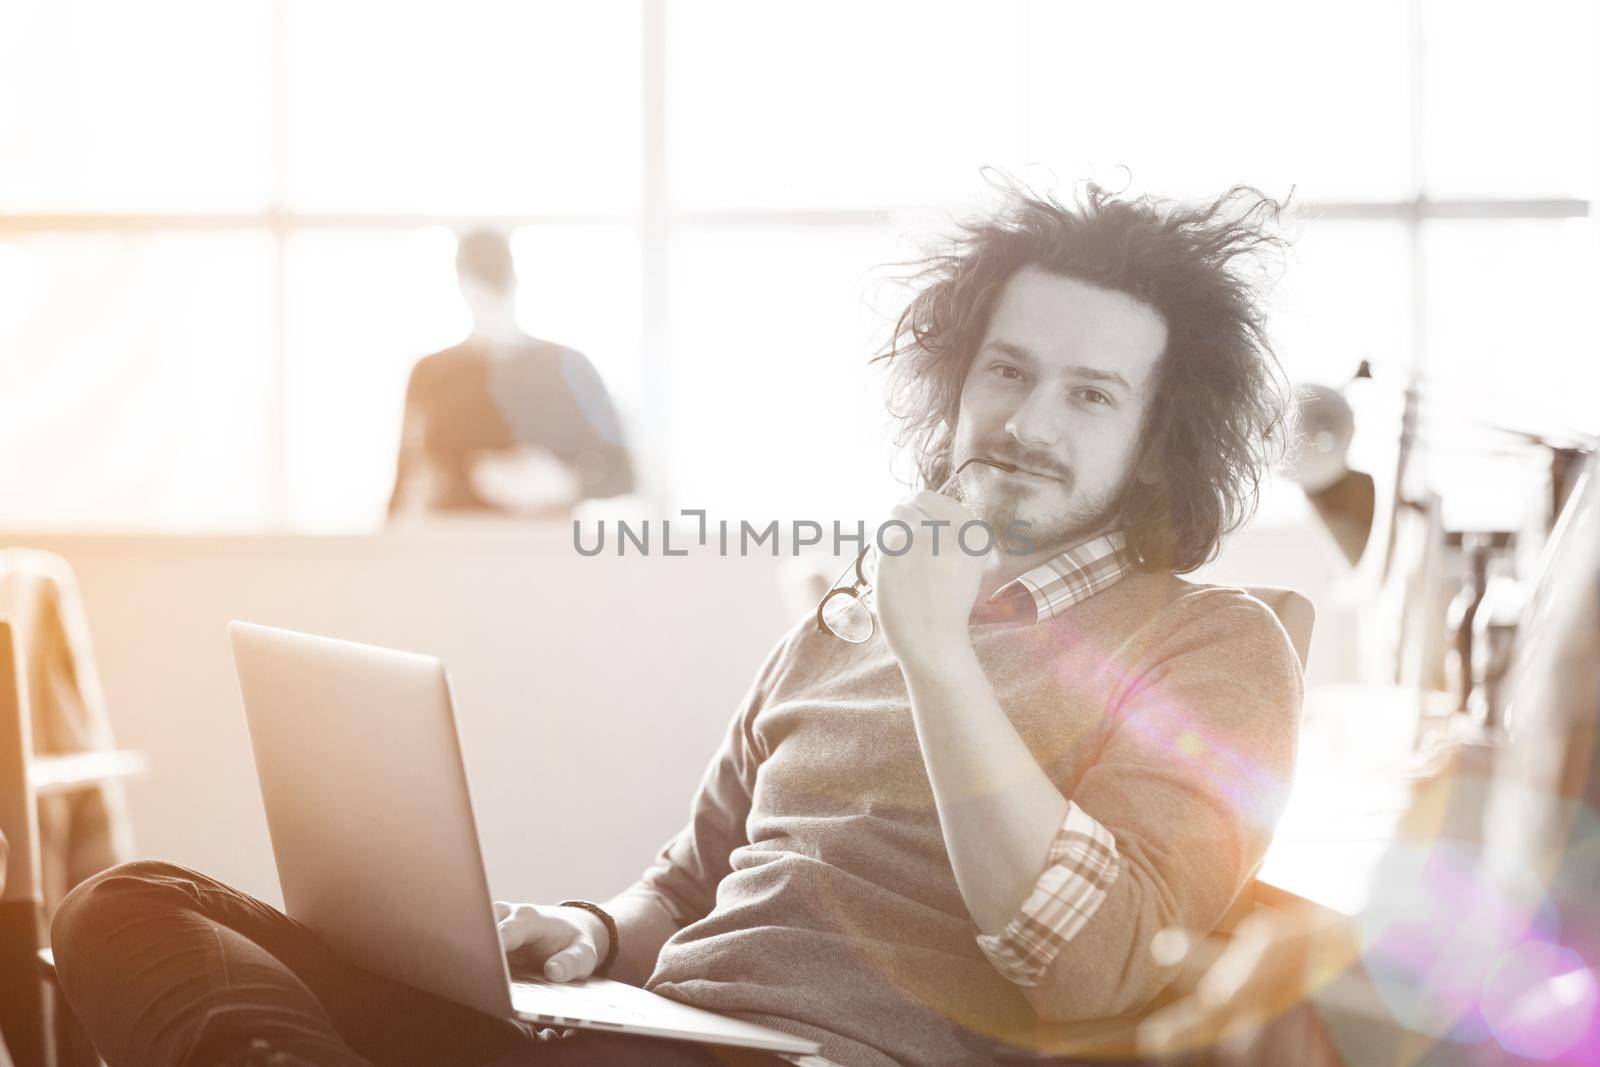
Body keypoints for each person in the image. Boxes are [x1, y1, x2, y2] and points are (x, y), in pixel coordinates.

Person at [50, 182, 1303, 1067]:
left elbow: (1097, 964)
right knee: (128, 899)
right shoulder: (839, 622)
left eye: (1091, 393)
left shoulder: (1215, 645)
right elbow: (689, 879)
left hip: (817, 1061)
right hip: (638, 1028)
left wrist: (936, 652)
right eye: (1008, 369)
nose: (1029, 420)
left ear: (1156, 442)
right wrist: (593, 931)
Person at [386, 229, 635, 519]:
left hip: (543, 547)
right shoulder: (431, 374)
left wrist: (563, 482)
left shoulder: (569, 368)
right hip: (455, 544)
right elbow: (406, 481)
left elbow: (623, 473)